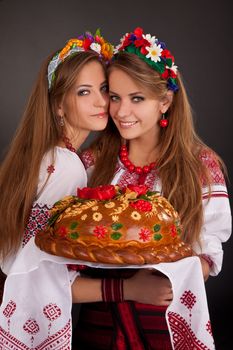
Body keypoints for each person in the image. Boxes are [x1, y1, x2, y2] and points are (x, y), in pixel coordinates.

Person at [72, 27, 232, 349]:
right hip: (99, 321)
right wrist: (125, 286)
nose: (122, 112)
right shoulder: (90, 163)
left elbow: (208, 251)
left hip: (165, 319)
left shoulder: (200, 165)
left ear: (165, 101)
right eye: (114, 97)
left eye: (137, 98)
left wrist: (172, 277)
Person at [0, 30, 113, 348]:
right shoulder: (66, 166)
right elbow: (41, 277)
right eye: (84, 92)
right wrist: (127, 290)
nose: (101, 101)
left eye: (104, 89)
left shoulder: (46, 154)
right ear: (59, 106)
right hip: (26, 319)